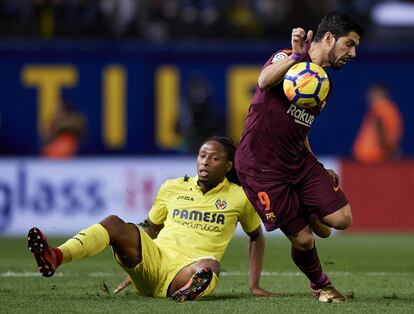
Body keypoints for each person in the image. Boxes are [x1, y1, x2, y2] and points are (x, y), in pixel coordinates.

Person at [28, 136, 275, 301]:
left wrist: (254, 285)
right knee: (115, 223)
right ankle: (56, 256)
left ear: (229, 166)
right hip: (153, 260)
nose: (205, 162)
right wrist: (133, 265)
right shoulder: (172, 186)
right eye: (202, 156)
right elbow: (151, 228)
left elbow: (256, 236)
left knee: (210, 266)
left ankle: (187, 290)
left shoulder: (240, 197)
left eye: (214, 158)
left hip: (188, 269)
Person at [235, 12, 364, 302]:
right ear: (329, 38)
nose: (353, 53)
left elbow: (300, 128)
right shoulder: (286, 57)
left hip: (298, 161)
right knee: (305, 239)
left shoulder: (323, 84)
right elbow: (264, 79)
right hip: (261, 166)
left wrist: (315, 164)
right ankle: (321, 284)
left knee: (341, 221)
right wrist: (295, 56)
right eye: (349, 44)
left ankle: (305, 207)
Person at [352, 84, 403, 164]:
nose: (369, 97)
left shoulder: (382, 108)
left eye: (372, 94)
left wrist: (389, 152)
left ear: (381, 93)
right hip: (372, 158)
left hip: (375, 158)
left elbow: (380, 127)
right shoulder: (385, 108)